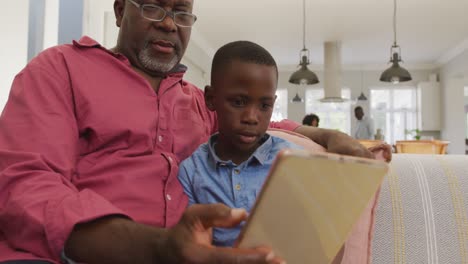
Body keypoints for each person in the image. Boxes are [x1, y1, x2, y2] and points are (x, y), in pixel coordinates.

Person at [0, 0, 385, 263]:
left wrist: (327, 135)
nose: (169, 22)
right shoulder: (60, 70)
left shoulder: (197, 102)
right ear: (120, 10)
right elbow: (24, 188)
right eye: (154, 6)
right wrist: (159, 247)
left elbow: (258, 119)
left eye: (182, 11)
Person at [178, 41, 303, 247]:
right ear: (211, 98)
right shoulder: (192, 172)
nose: (252, 118)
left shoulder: (296, 162)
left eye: (264, 105)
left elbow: (327, 240)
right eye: (238, 102)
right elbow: (194, 249)